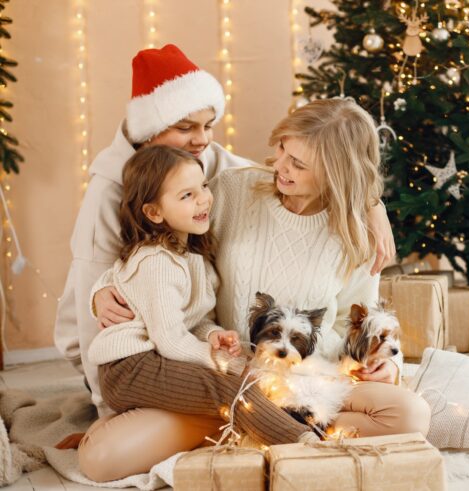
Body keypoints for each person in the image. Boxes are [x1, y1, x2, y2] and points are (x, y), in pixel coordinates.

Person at [80, 98, 430, 482]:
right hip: (224, 376)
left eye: (298, 164)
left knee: (412, 414)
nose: (279, 165)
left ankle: (259, 432)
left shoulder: (358, 234)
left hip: (304, 382)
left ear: (336, 174)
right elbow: (163, 243)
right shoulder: (232, 190)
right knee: (100, 459)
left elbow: (355, 320)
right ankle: (271, 429)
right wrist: (103, 290)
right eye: (282, 148)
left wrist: (385, 363)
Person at [53, 44, 396, 421]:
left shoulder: (209, 167)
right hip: (139, 353)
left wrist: (368, 203)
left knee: (404, 414)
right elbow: (95, 315)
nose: (203, 139)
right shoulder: (111, 193)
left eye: (208, 125)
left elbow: (271, 181)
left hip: (268, 368)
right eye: (186, 128)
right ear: (150, 131)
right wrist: (106, 408)